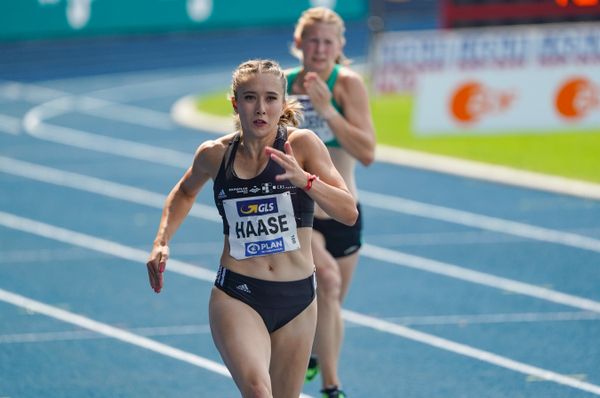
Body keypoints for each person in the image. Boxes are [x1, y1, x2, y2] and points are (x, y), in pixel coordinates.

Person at [146, 59, 358, 398]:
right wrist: (161, 241)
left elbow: (348, 212)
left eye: (271, 98)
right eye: (250, 98)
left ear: (283, 103)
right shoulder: (215, 155)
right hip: (238, 294)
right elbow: (184, 192)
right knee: (259, 392)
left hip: (298, 299)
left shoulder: (303, 146)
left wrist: (307, 182)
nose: (261, 108)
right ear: (235, 102)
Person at [285, 7, 376, 398]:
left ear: (340, 47)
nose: (319, 49)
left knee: (330, 303)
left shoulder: (348, 85)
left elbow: (368, 152)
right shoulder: (282, 86)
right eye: (312, 41)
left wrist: (326, 111)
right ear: (298, 44)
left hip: (343, 211)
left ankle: (315, 358)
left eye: (328, 42)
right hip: (298, 213)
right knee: (328, 280)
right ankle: (332, 388)